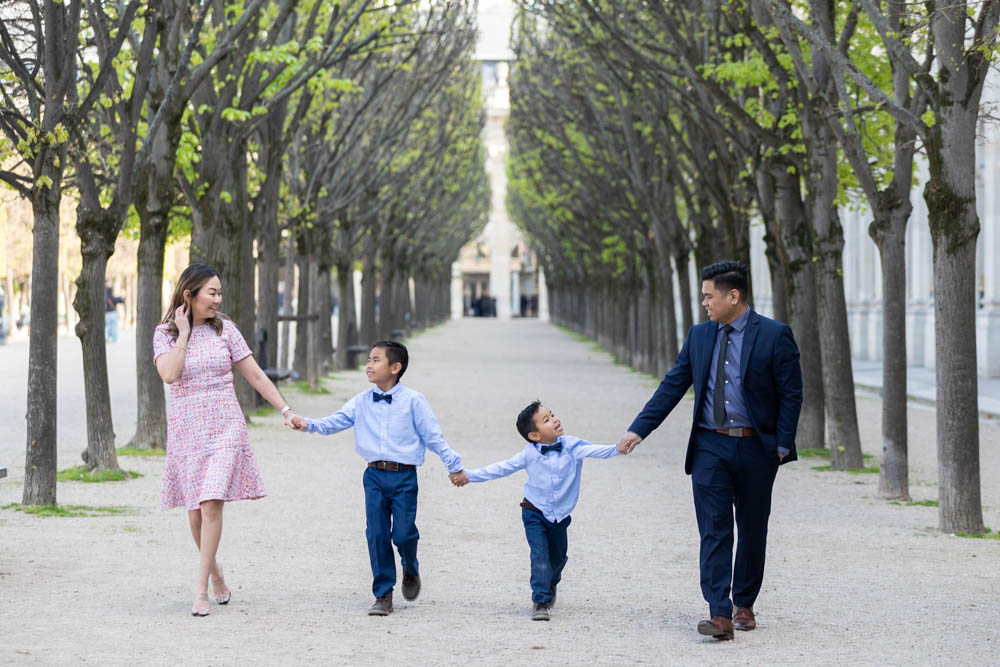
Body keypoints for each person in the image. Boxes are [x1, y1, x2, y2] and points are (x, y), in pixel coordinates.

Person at [616, 260, 803, 640]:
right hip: (709, 445)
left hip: (756, 447)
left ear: (733, 296)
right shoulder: (700, 336)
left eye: (708, 296)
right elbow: (673, 384)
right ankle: (719, 613)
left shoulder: (774, 335)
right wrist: (639, 430)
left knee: (752, 528)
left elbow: (791, 392)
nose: (704, 303)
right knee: (714, 528)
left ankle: (744, 604)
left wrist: (781, 446)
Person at [153, 264, 297, 617]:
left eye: (219, 292)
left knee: (211, 504)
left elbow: (255, 375)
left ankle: (200, 589)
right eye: (211, 293)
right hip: (187, 431)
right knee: (194, 516)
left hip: (225, 426)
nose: (218, 299)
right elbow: (170, 374)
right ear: (189, 294)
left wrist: (285, 410)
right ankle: (216, 572)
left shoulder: (226, 330)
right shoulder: (165, 333)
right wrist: (184, 334)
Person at [289, 341, 465, 616]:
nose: (368, 366)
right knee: (376, 533)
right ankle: (383, 593)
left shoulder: (414, 401)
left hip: (404, 476)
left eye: (375, 360)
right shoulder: (361, 401)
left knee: (404, 534)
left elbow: (434, 437)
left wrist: (454, 466)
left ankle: (410, 565)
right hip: (373, 476)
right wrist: (307, 423)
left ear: (395, 368)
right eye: (368, 360)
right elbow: (335, 421)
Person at [450, 401, 619, 621]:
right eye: (547, 420)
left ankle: (551, 582)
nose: (555, 420)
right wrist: (469, 475)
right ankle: (540, 601)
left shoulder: (572, 446)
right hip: (534, 511)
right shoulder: (528, 454)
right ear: (535, 436)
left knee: (558, 558)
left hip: (560, 516)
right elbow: (502, 468)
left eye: (552, 415)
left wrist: (619, 447)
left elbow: (597, 450)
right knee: (539, 556)